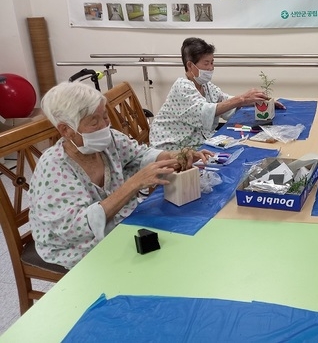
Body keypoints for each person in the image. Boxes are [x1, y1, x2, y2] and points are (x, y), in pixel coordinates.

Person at [28, 82, 212, 269]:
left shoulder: (109, 141)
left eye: (105, 116)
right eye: (94, 121)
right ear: (66, 130)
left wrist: (173, 156)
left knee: (180, 242)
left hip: (119, 222)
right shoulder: (55, 168)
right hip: (75, 245)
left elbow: (140, 155)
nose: (104, 125)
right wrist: (134, 184)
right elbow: (77, 229)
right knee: (153, 265)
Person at [150, 37, 285, 150]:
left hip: (197, 140)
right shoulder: (182, 87)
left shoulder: (205, 85)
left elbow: (225, 100)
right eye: (206, 63)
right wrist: (243, 98)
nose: (211, 68)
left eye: (212, 62)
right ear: (190, 66)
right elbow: (206, 111)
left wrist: (257, 101)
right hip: (173, 147)